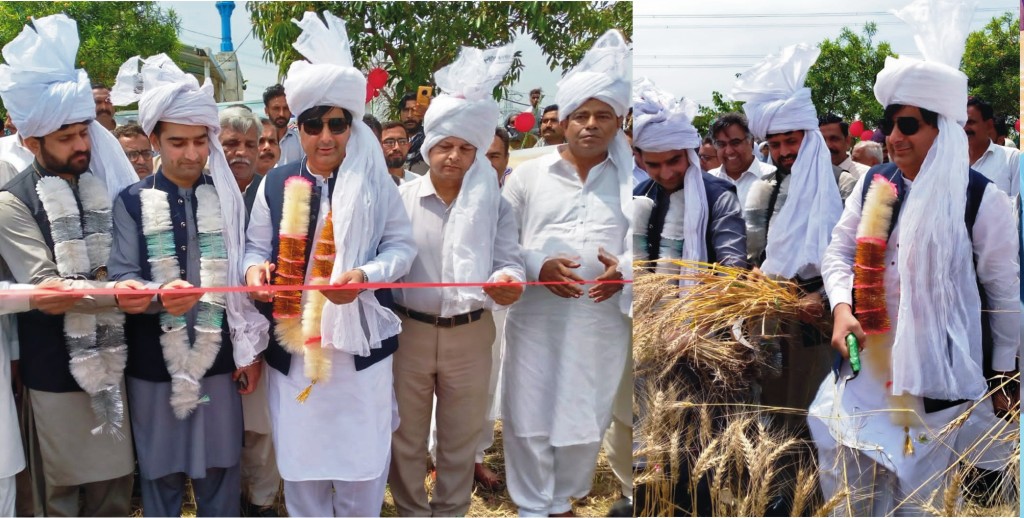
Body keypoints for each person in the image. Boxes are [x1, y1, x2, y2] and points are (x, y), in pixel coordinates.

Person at [809, 1, 1019, 514]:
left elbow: (1004, 296)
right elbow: (838, 252)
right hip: (865, 369)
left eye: (908, 125)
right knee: (845, 477)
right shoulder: (875, 186)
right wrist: (841, 307)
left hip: (936, 383)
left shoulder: (982, 200)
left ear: (941, 130)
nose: (894, 138)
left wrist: (1002, 378)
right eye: (890, 125)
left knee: (919, 499)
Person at [243, 12, 415, 516]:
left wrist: (365, 278)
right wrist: (255, 271)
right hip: (296, 349)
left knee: (362, 467)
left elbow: (401, 249)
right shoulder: (273, 183)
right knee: (302, 467)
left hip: (359, 350)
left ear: (351, 126)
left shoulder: (376, 181)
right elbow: (256, 248)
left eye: (336, 124)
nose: (325, 136)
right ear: (297, 126)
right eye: (313, 124)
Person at [107, 52, 266, 517]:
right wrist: (156, 296)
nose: (192, 154)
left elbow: (241, 277)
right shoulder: (131, 202)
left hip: (218, 359)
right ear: (155, 139)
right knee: (161, 476)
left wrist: (249, 353)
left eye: (200, 141)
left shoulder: (228, 199)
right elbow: (121, 277)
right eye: (178, 142)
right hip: (154, 365)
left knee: (220, 471)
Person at [0, 14, 142, 516]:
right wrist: (127, 293)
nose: (82, 145)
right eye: (66, 137)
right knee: (57, 497)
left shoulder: (100, 185)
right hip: (53, 369)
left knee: (115, 491)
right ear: (32, 141)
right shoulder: (11, 202)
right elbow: (47, 287)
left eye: (84, 132)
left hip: (115, 361)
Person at [501, 29, 631, 517]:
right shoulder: (528, 175)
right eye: (581, 115)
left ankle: (562, 501)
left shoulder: (628, 179)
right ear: (565, 120)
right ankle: (533, 505)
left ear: (619, 122)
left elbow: (650, 242)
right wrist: (537, 265)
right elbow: (502, 241)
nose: (591, 125)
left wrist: (627, 269)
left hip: (600, 321)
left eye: (603, 116)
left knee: (585, 412)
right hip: (536, 318)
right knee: (528, 412)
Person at [389, 43, 524, 517]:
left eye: (466, 147)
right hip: (409, 332)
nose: (454, 156)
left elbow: (510, 261)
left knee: (459, 438)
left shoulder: (495, 206)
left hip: (471, 333)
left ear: (477, 153)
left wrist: (508, 279)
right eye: (445, 145)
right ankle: (410, 510)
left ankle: (450, 511)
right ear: (427, 147)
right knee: (405, 437)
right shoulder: (402, 200)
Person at [733, 42, 851, 433]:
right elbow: (754, 254)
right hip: (770, 319)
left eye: (792, 142)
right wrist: (751, 276)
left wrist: (824, 298)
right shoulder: (761, 189)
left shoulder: (845, 186)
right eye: (776, 144)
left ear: (810, 136)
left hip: (822, 321)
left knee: (820, 415)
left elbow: (858, 258)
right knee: (773, 410)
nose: (784, 152)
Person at [706, 112, 776, 207]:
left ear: (750, 142)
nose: (729, 151)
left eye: (735, 143)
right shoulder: (709, 181)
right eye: (721, 144)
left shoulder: (773, 177)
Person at [965, 96, 1020, 201]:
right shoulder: (950, 162)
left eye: (970, 122)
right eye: (961, 122)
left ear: (989, 125)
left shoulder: (1012, 158)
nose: (964, 128)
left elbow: (1019, 210)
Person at [819, 113, 871, 179]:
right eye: (822, 140)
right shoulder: (810, 174)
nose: (828, 146)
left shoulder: (865, 176)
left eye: (834, 139)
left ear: (847, 141)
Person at [263, 84, 304, 166]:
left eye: (286, 108)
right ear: (266, 111)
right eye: (276, 108)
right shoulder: (257, 143)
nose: (281, 114)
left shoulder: (300, 142)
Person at [398, 92, 428, 174]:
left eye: (414, 110)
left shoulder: (430, 142)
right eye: (406, 110)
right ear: (400, 113)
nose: (410, 115)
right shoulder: (391, 142)